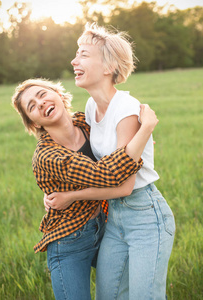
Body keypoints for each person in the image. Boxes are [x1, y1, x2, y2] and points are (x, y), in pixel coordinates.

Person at [45, 23, 175, 300]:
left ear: (107, 66)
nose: (73, 60)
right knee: (109, 295)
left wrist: (71, 196)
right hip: (114, 219)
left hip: (145, 216)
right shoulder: (92, 108)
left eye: (83, 54)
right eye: (75, 54)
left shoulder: (126, 109)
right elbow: (89, 155)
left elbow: (124, 186)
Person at [11, 78, 158, 300]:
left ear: (59, 95)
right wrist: (142, 134)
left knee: (125, 294)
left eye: (42, 95)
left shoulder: (84, 122)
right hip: (70, 242)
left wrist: (132, 143)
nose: (39, 103)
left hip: (107, 228)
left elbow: (116, 142)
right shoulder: (48, 156)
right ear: (35, 123)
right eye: (32, 106)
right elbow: (108, 174)